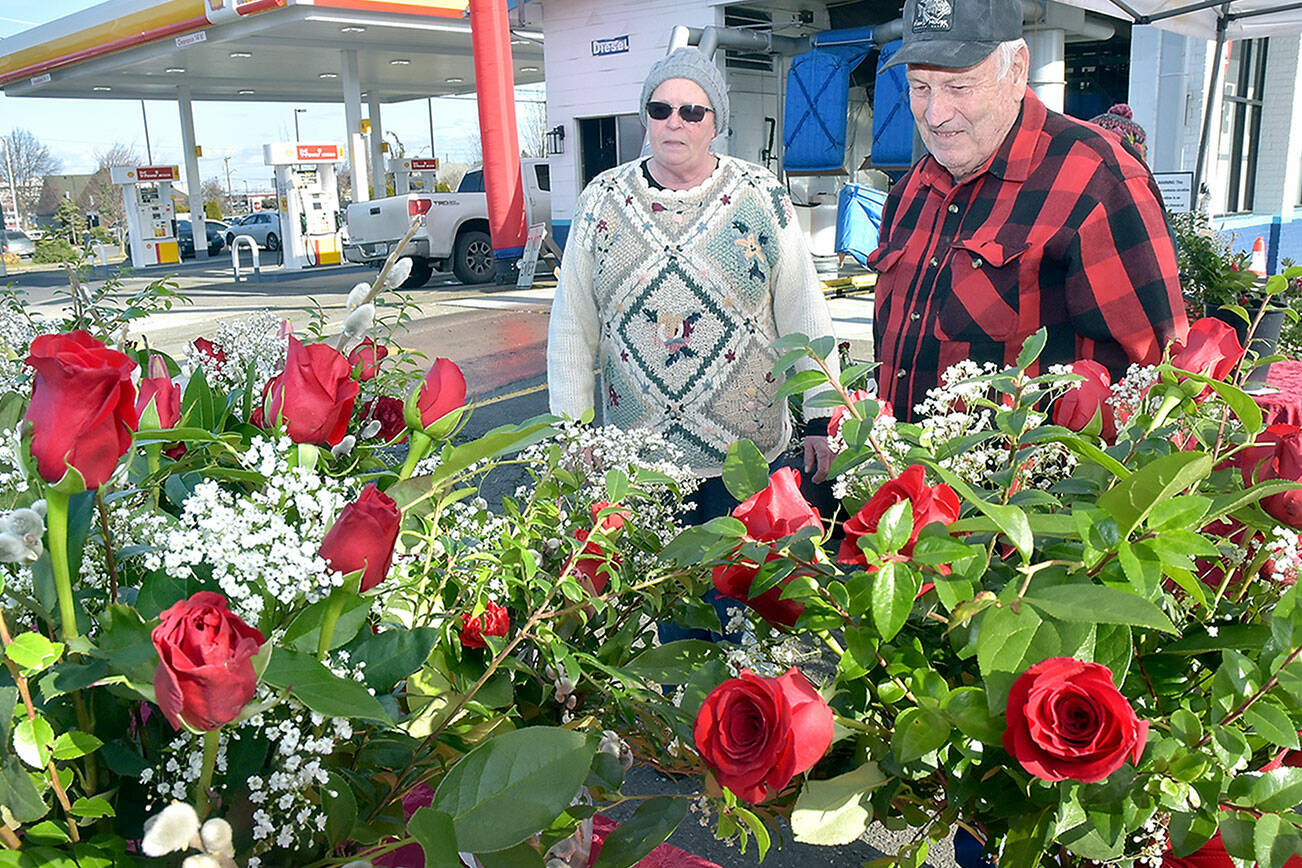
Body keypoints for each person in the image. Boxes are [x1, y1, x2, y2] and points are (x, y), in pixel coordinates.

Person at [547, 46, 840, 522]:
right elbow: (570, 332)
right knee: (648, 594)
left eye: (691, 111)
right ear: (646, 119)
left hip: (749, 462)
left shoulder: (761, 195)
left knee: (740, 593)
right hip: (639, 467)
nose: (674, 122)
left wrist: (823, 418)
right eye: (659, 110)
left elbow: (804, 311)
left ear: (714, 123)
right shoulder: (601, 200)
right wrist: (573, 438)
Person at [869, 0, 1188, 422]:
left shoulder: (1097, 179)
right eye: (920, 87)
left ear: (1017, 70)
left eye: (959, 87)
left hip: (1022, 487)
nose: (935, 114)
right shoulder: (910, 190)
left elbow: (1153, 380)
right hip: (902, 478)